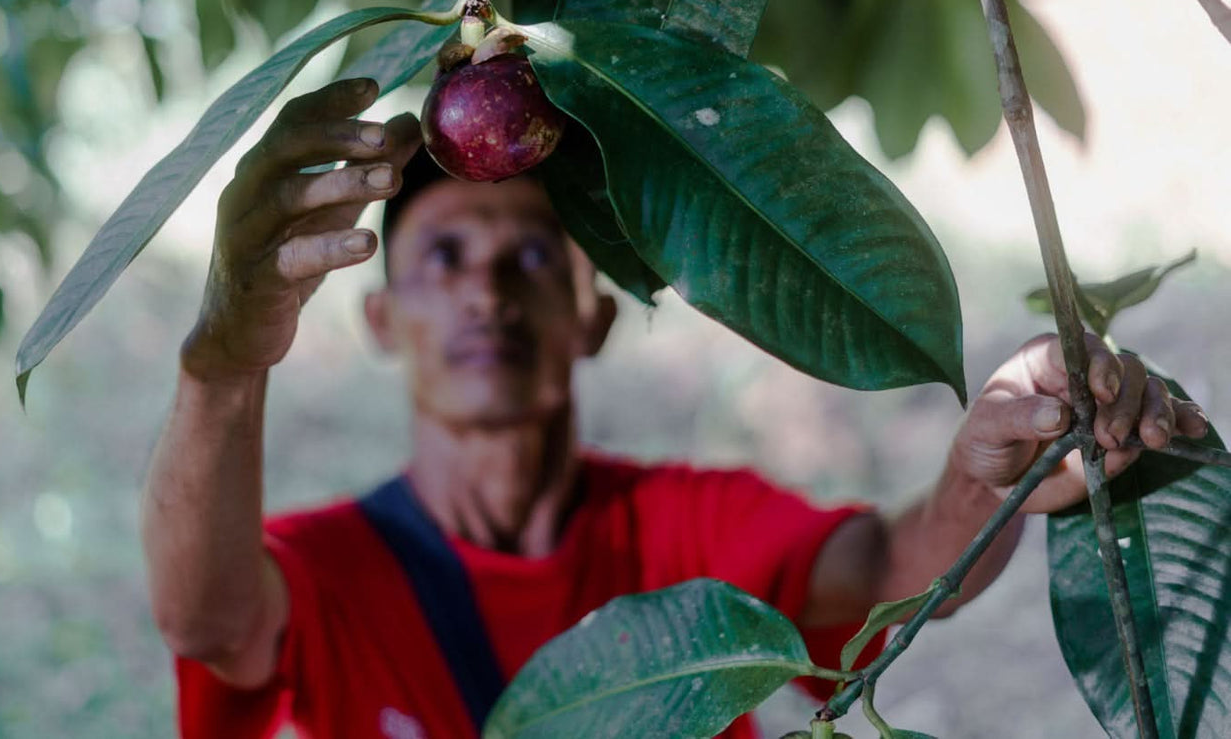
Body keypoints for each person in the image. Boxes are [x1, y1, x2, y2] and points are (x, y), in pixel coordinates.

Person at [141, 76, 1209, 739]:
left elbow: (889, 572)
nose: (486, 288)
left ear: (592, 315)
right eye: (444, 256)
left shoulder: (681, 532)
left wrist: (984, 470)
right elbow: (206, 618)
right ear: (381, 324)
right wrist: (222, 362)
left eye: (526, 254)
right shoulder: (329, 570)